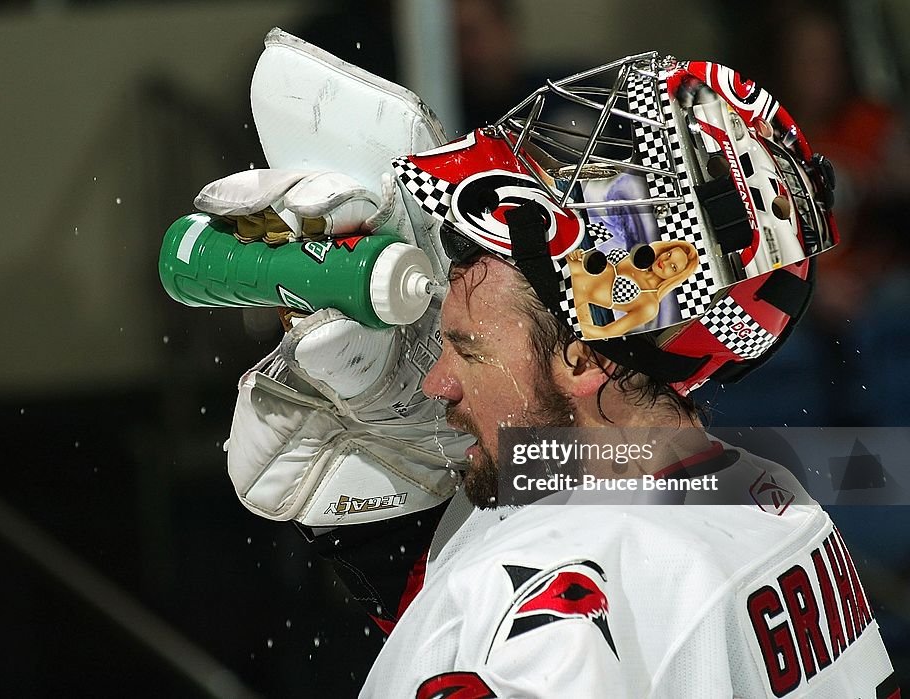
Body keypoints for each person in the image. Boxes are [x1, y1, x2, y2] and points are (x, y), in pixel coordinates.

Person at [209, 54, 898, 696]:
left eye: (467, 348)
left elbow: (538, 614)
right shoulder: (776, 503)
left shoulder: (547, 606)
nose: (434, 382)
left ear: (585, 357)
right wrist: (375, 535)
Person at [567, 240, 700, 339]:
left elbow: (606, 333)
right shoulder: (639, 258)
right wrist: (579, 254)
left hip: (569, 298)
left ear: (676, 277)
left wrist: (574, 326)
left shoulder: (649, 306)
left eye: (673, 267)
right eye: (669, 254)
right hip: (567, 265)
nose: (664, 262)